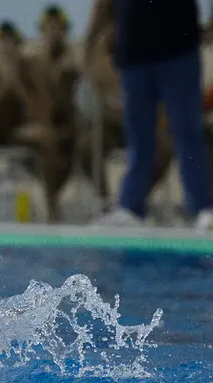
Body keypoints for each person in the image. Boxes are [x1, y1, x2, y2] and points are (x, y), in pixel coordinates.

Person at [86, 0, 213, 230]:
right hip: (134, 51)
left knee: (187, 132)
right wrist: (89, 43)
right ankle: (130, 207)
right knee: (138, 136)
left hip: (179, 46)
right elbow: (102, 4)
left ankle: (202, 207)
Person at [0, 21, 57, 218]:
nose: (6, 49)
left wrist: (18, 85)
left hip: (18, 132)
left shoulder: (28, 70)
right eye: (1, 43)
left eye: (12, 43)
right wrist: (3, 86)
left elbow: (41, 110)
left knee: (47, 139)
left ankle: (50, 203)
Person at [36, 5, 80, 222]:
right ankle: (52, 203)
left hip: (67, 129)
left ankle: (52, 199)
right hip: (41, 128)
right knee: (48, 143)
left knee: (80, 144)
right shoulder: (34, 64)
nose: (54, 34)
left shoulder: (73, 65)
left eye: (58, 29)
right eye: (50, 29)